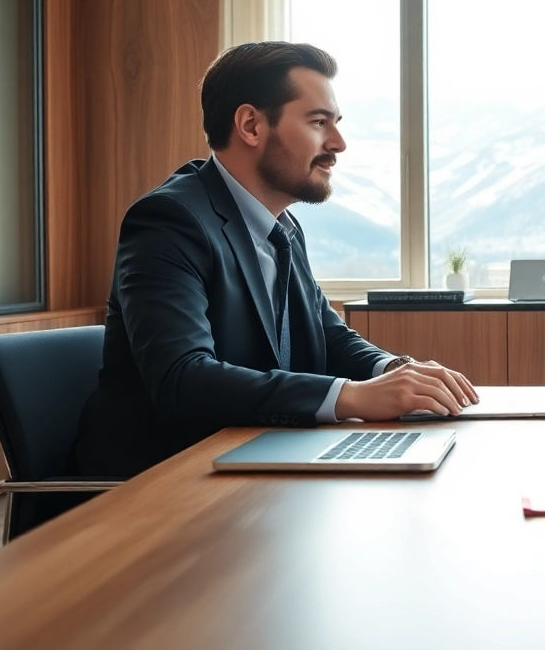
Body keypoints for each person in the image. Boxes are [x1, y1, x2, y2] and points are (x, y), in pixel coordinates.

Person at [74, 42, 478, 477]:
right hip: (161, 482)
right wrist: (353, 396)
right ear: (251, 125)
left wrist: (397, 370)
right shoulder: (169, 221)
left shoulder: (282, 227)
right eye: (318, 122)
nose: (338, 143)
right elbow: (184, 380)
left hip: (256, 458)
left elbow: (329, 336)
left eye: (335, 123)